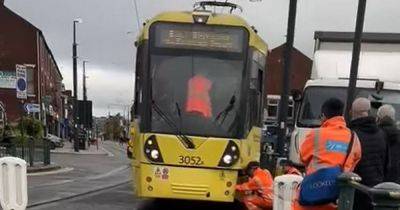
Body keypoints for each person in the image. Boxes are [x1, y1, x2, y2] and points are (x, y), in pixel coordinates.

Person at [294, 98, 361, 210]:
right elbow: (355, 161)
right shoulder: (354, 137)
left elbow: (302, 158)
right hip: (339, 195)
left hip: (314, 192)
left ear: (324, 115)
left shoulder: (315, 134)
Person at [350, 98, 387, 210]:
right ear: (369, 112)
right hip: (377, 188)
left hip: (356, 188)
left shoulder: (351, 135)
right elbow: (386, 162)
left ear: (352, 113)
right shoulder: (381, 134)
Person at [377, 104, 400, 184]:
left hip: (376, 181)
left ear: (378, 118)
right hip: (396, 182)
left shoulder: (375, 135)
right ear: (393, 119)